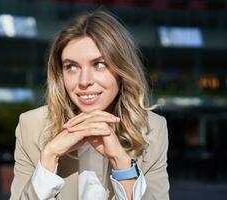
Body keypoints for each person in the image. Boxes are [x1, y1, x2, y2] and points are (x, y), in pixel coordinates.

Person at [10, 10, 169, 200]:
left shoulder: (152, 128)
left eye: (99, 64)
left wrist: (122, 163)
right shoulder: (32, 126)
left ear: (122, 70)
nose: (84, 81)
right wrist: (49, 156)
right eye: (72, 67)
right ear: (60, 75)